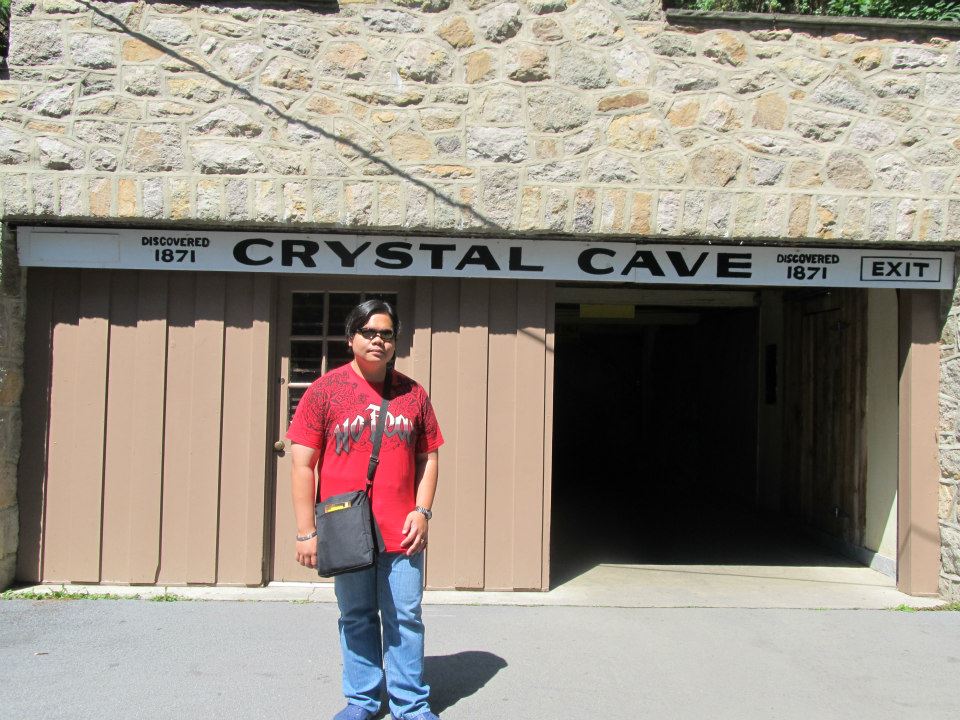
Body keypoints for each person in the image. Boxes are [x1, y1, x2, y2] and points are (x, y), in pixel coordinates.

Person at [287, 298, 444, 720]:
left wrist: (422, 512)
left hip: (402, 530)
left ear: (395, 341)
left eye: (387, 333)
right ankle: (362, 701)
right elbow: (302, 463)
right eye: (369, 332)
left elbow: (429, 457)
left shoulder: (413, 395)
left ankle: (411, 704)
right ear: (351, 337)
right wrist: (307, 532)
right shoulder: (325, 390)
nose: (379, 340)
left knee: (405, 618)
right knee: (355, 615)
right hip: (345, 529)